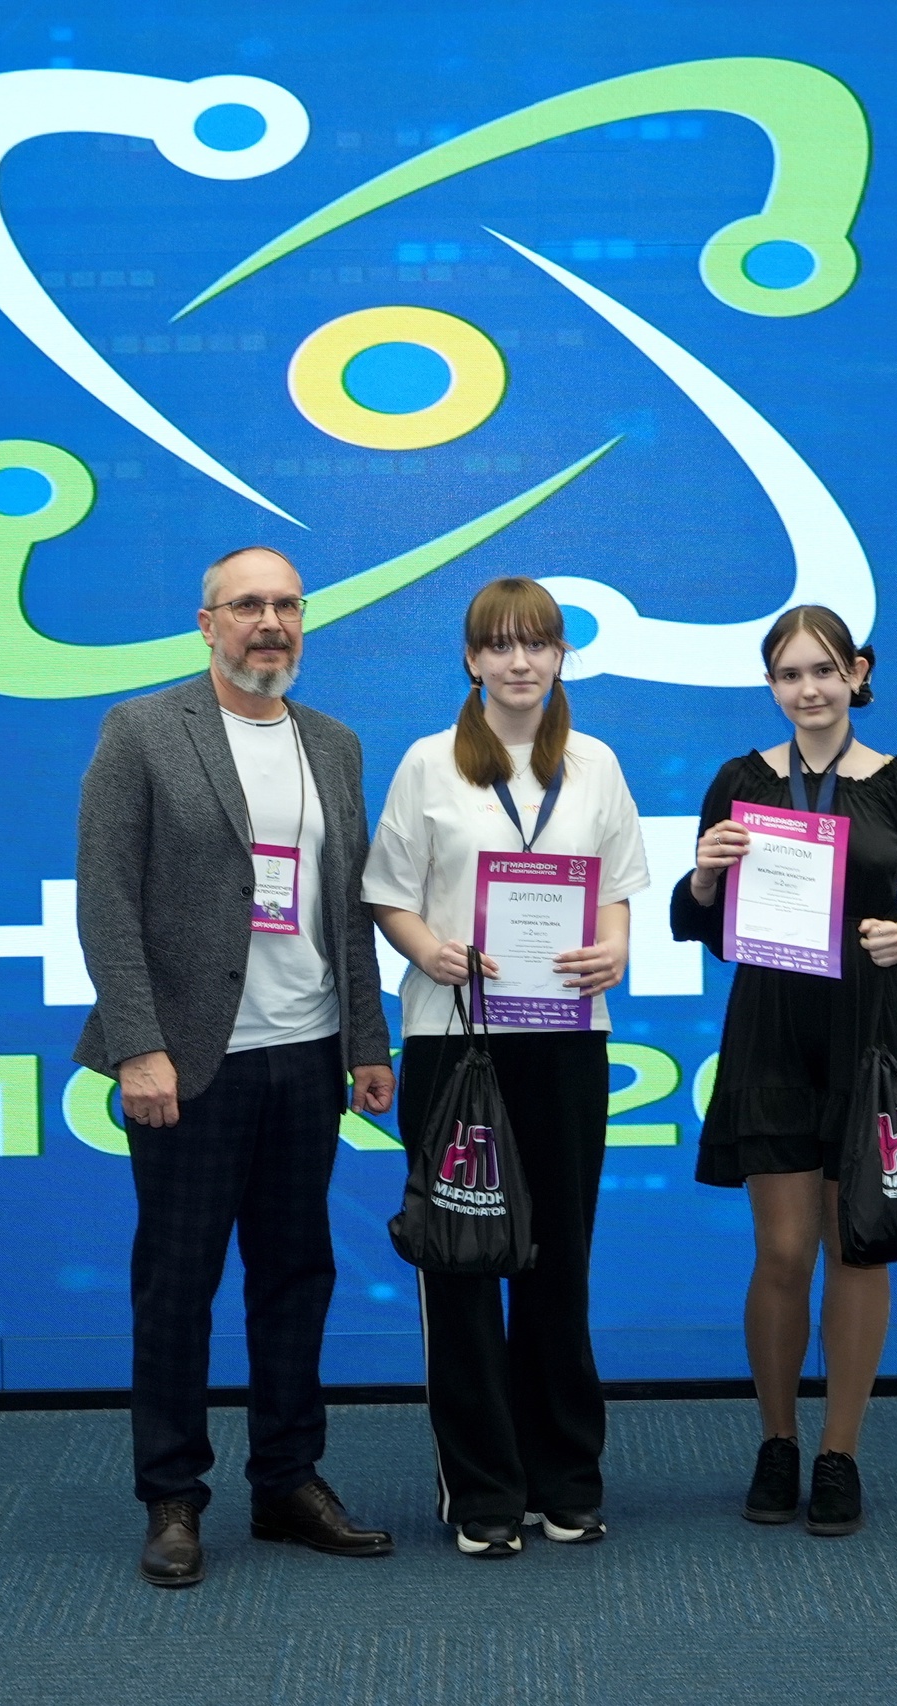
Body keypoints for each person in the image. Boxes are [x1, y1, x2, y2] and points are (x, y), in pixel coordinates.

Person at [74, 545, 399, 1589]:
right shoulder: (141, 730)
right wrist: (138, 1045)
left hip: (306, 1056)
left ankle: (288, 1481)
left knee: (297, 1275)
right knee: (177, 1285)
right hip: (188, 1062)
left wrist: (366, 1041)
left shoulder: (333, 743)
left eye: (287, 605)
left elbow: (346, 906)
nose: (271, 622)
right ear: (206, 623)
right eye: (248, 604)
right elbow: (106, 900)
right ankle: (172, 1496)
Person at [364, 577, 649, 1559]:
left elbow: (617, 889)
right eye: (500, 645)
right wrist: (429, 949)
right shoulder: (428, 762)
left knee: (558, 1261)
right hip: (454, 1040)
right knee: (461, 1262)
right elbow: (387, 895)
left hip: (565, 1037)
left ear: (563, 656)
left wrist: (615, 948)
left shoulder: (597, 763)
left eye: (538, 644)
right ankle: (482, 1487)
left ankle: (564, 1476)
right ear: (471, 659)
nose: (520, 662)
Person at [670, 605, 897, 1538]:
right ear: (771, 686)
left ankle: (840, 1453)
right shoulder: (740, 782)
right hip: (773, 1030)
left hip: (872, 1032)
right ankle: (777, 1441)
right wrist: (704, 877)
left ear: (858, 674)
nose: (810, 689)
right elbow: (706, 921)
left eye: (825, 670)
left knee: (857, 1244)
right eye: (791, 674)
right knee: (785, 1251)